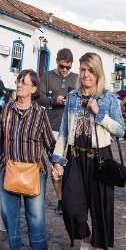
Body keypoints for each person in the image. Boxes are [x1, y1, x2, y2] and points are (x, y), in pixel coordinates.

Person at [51, 52, 125, 250]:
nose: (86, 74)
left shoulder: (108, 98)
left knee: (101, 209)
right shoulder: (72, 97)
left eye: (90, 70)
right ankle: (85, 239)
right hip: (75, 157)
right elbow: (64, 129)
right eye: (83, 70)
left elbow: (121, 129)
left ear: (98, 73)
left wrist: (99, 114)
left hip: (100, 159)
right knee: (71, 207)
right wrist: (57, 159)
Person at [0, 70, 56, 250]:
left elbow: (50, 144)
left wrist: (58, 164)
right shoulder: (7, 109)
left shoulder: (40, 113)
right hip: (9, 168)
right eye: (18, 81)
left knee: (35, 214)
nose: (19, 85)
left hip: (34, 170)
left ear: (34, 89)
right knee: (8, 212)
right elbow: (0, 140)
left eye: (24, 83)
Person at [35, 47, 78, 216]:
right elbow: (39, 98)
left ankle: (71, 198)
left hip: (71, 130)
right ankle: (61, 200)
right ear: (57, 62)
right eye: (62, 66)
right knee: (56, 166)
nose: (65, 70)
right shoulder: (47, 76)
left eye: (68, 67)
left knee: (71, 168)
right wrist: (54, 100)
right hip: (52, 128)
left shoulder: (76, 79)